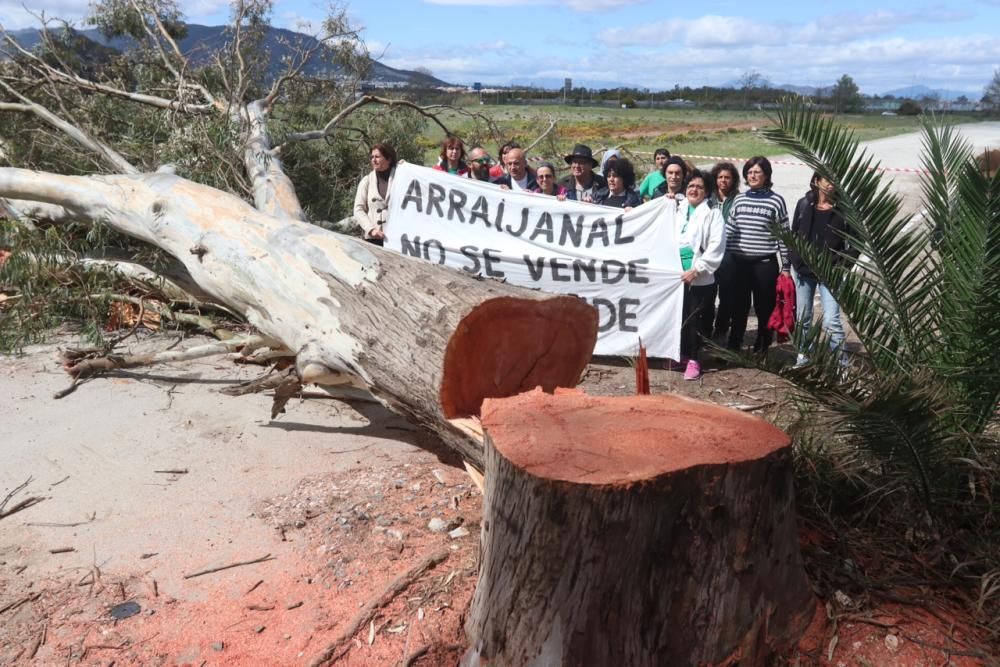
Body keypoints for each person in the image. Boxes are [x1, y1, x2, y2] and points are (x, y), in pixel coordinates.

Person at [789, 172, 857, 367]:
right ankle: (803, 357)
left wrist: (843, 264)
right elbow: (794, 234)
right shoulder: (804, 204)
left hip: (831, 273)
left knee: (831, 320)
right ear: (817, 181)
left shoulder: (844, 210)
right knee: (804, 318)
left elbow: (856, 242)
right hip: (804, 271)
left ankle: (841, 364)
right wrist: (795, 259)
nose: (831, 185)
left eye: (834, 180)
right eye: (826, 180)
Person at [725, 156, 790, 353]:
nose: (752, 176)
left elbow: (784, 236)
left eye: (757, 172)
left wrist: (786, 267)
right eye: (749, 172)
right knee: (738, 308)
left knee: (764, 308)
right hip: (739, 264)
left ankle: (762, 346)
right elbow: (729, 230)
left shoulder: (776, 201)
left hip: (764, 265)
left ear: (766, 175)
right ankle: (733, 345)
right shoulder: (739, 199)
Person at [669, 169, 726, 379]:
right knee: (679, 317)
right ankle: (681, 355)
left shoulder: (713, 214)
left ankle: (694, 359)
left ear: (707, 192)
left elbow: (716, 247)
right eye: (691, 186)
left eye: (699, 187)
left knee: (696, 320)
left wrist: (697, 269)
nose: (694, 190)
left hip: (699, 277)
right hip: (676, 276)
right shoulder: (677, 209)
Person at [708, 161, 741, 340]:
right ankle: (706, 328)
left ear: (733, 180)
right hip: (709, 254)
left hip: (729, 255)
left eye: (727, 177)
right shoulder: (708, 199)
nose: (723, 181)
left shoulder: (738, 199)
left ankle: (721, 329)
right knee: (708, 293)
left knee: (727, 295)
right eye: (720, 177)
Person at [353, 142, 397, 246]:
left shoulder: (401, 178)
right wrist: (371, 229)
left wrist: (406, 168)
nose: (373, 160)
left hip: (397, 239)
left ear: (388, 159)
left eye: (377, 157)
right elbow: (358, 209)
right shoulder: (366, 181)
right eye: (372, 157)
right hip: (373, 239)